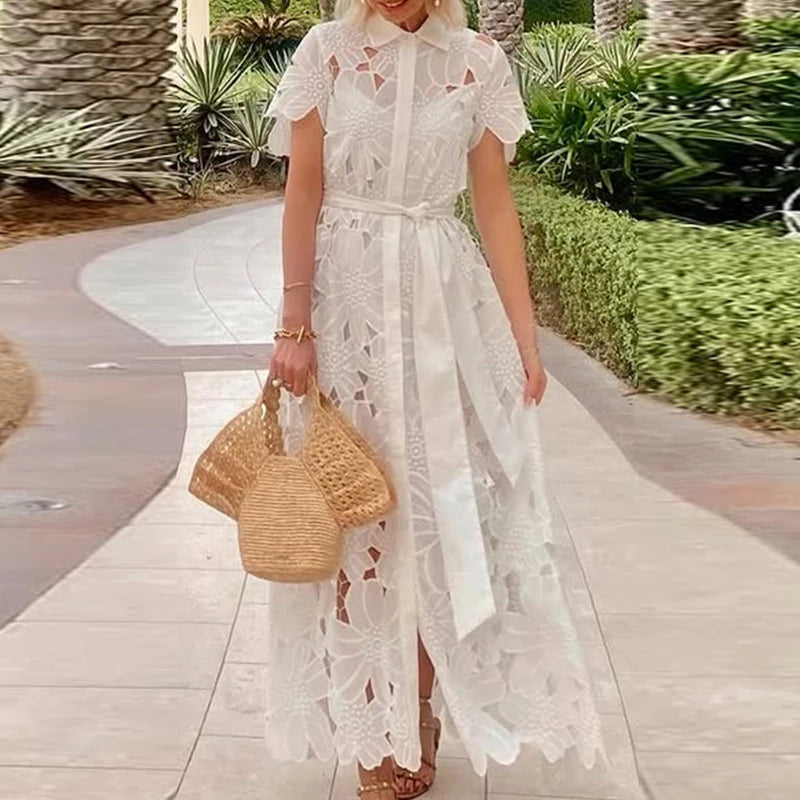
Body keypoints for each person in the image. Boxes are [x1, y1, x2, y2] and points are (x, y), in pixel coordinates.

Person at [264, 0, 605, 797]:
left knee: (434, 516)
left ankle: (415, 709)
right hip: (346, 312)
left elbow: (493, 205)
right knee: (352, 508)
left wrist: (523, 337)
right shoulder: (326, 51)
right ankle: (369, 717)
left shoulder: (480, 63)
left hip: (443, 306)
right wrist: (293, 323)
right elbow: (302, 193)